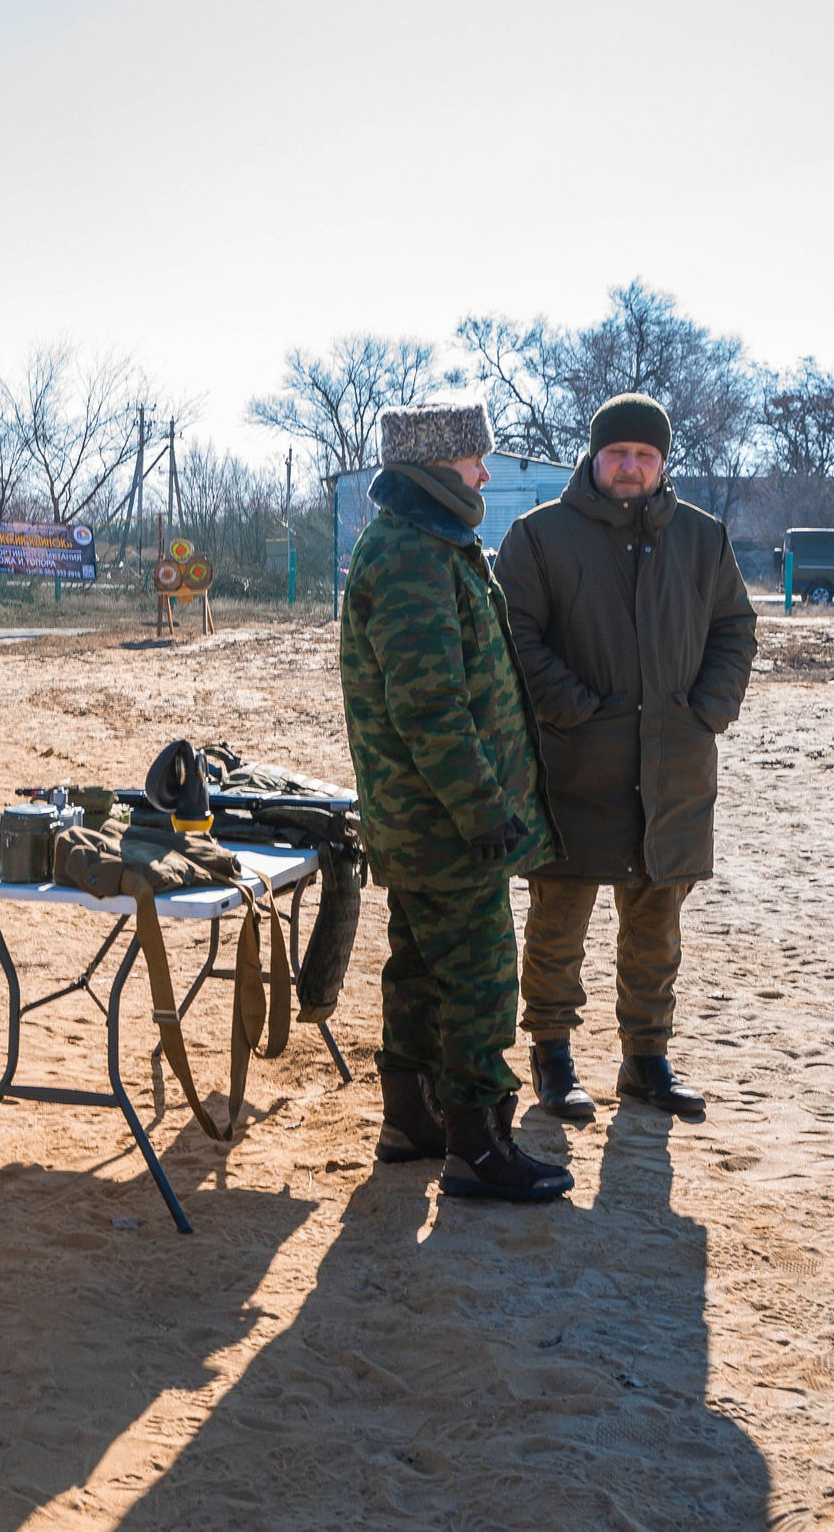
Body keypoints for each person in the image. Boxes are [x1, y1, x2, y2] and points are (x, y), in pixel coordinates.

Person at [495, 391, 757, 1122]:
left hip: (672, 768)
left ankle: (647, 1059)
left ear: (663, 460)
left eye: (646, 455)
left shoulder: (703, 539)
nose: (632, 467)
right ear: (594, 455)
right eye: (619, 453)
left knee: (656, 926)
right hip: (574, 767)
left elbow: (736, 626)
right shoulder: (541, 536)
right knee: (558, 923)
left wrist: (709, 707)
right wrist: (570, 706)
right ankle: (552, 1057)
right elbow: (515, 633)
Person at [336, 396, 573, 1203]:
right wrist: (483, 812)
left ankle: (411, 1120)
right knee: (476, 975)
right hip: (444, 824)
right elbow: (430, 704)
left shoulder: (426, 542)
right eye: (475, 459)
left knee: (417, 967)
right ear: (438, 465)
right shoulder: (409, 556)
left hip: (423, 821)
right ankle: (477, 1144)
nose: (484, 471)